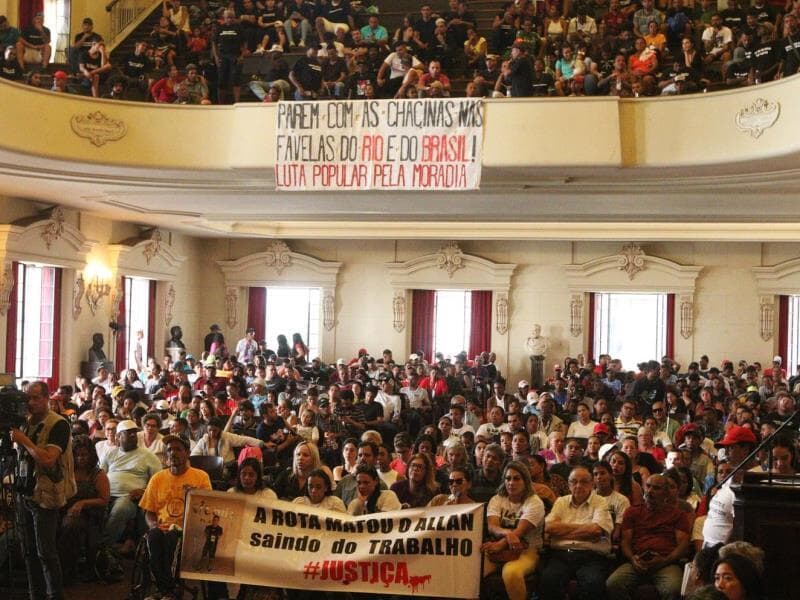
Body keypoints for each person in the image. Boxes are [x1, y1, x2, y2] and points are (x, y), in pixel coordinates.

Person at [11, 380, 76, 600]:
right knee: (28, 552)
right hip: (25, 491)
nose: (30, 402)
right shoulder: (25, 422)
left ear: (47, 398)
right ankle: (35, 595)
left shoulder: (59, 424)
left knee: (46, 552)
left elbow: (48, 460)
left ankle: (54, 596)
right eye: (27, 398)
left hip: (47, 495)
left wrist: (24, 440)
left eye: (36, 397)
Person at [139, 435, 211, 599]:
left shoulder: (200, 477)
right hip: (162, 527)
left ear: (187, 452)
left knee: (172, 538)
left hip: (187, 529)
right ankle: (167, 590)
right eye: (169, 450)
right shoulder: (157, 478)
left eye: (178, 449)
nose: (173, 453)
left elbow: (207, 509)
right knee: (154, 537)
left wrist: (193, 495)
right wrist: (153, 525)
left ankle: (166, 591)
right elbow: (149, 511)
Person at [606, 474, 691, 600]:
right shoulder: (632, 511)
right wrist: (632, 559)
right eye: (648, 486)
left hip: (666, 563)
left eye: (656, 488)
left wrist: (665, 560)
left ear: (666, 493)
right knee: (613, 583)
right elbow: (625, 541)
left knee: (673, 588)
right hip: (637, 561)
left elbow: (683, 545)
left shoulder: (678, 515)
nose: (650, 491)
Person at [540, 466, 613, 600]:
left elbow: (596, 531)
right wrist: (584, 529)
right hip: (561, 556)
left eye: (584, 481)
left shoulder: (600, 501)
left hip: (591, 557)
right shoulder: (561, 501)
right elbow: (549, 528)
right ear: (568, 484)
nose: (578, 485)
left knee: (593, 583)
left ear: (592, 484)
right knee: (548, 580)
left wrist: (562, 531)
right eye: (574, 481)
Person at [481, 461, 545, 600]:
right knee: (474, 570)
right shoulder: (497, 499)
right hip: (498, 549)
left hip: (527, 550)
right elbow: (492, 526)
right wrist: (507, 533)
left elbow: (520, 532)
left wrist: (501, 544)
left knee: (511, 572)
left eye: (516, 478)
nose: (511, 482)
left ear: (526, 481)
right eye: (508, 478)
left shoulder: (535, 502)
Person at [99, 419, 163, 552]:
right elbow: (100, 475)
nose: (133, 436)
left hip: (129, 497)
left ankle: (102, 548)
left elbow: (159, 481)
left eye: (134, 433)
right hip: (106, 494)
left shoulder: (148, 456)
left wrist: (145, 491)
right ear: (118, 436)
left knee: (120, 509)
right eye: (128, 433)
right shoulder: (111, 454)